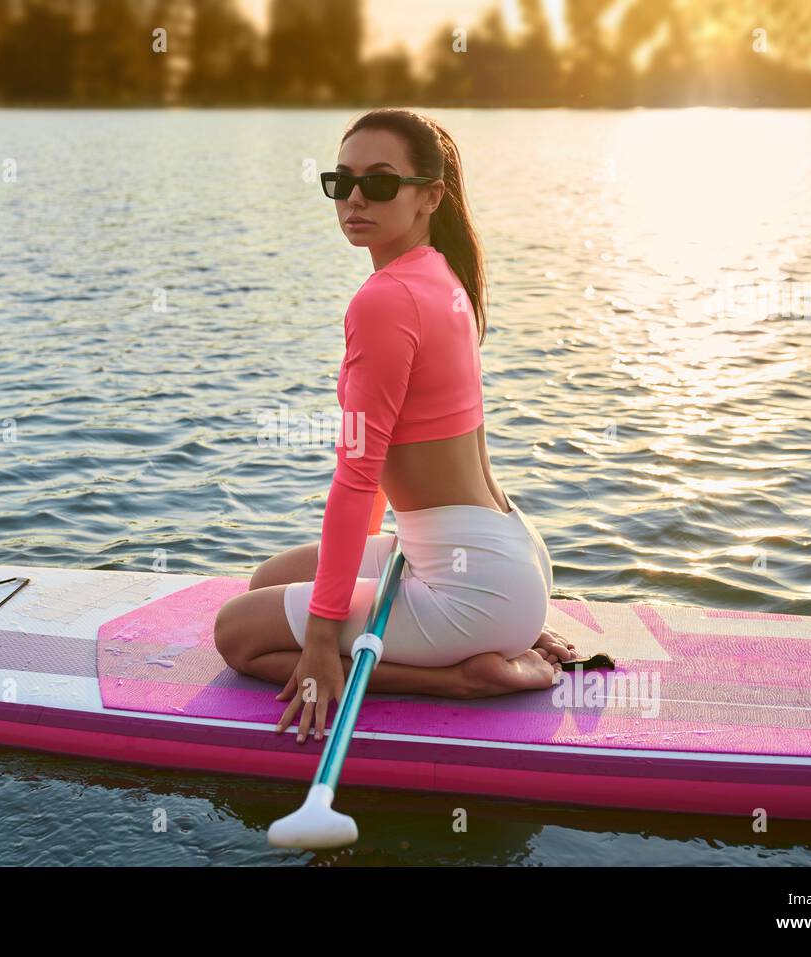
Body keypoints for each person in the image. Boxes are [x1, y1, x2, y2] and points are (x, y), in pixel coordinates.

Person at [214, 109, 575, 744]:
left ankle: (465, 676)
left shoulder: (384, 300)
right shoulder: (440, 275)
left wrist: (324, 641)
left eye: (380, 183)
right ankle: (506, 629)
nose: (355, 198)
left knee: (237, 633)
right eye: (341, 181)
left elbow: (354, 480)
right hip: (506, 556)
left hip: (473, 587)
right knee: (268, 580)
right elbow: (387, 457)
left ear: (430, 195)